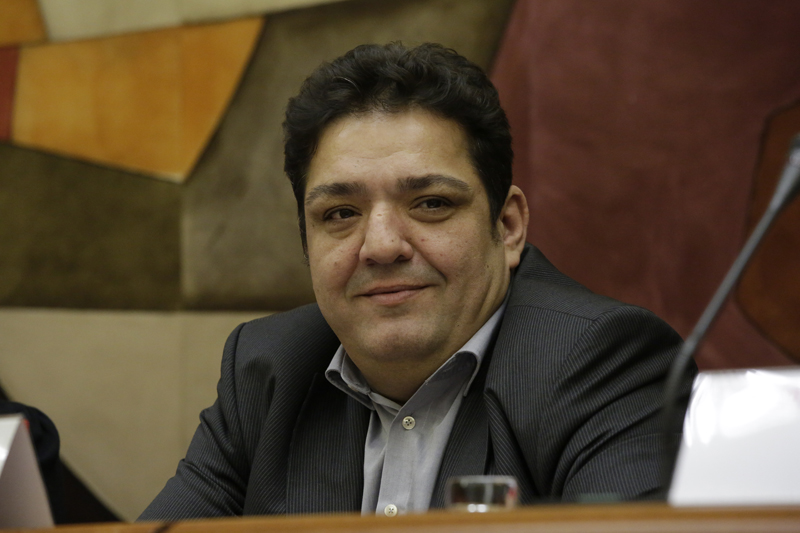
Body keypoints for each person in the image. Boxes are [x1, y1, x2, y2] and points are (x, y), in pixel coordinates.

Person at [139, 42, 696, 520]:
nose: (381, 246)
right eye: (340, 214)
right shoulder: (268, 370)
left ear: (507, 227)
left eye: (430, 203)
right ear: (307, 242)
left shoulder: (602, 363)